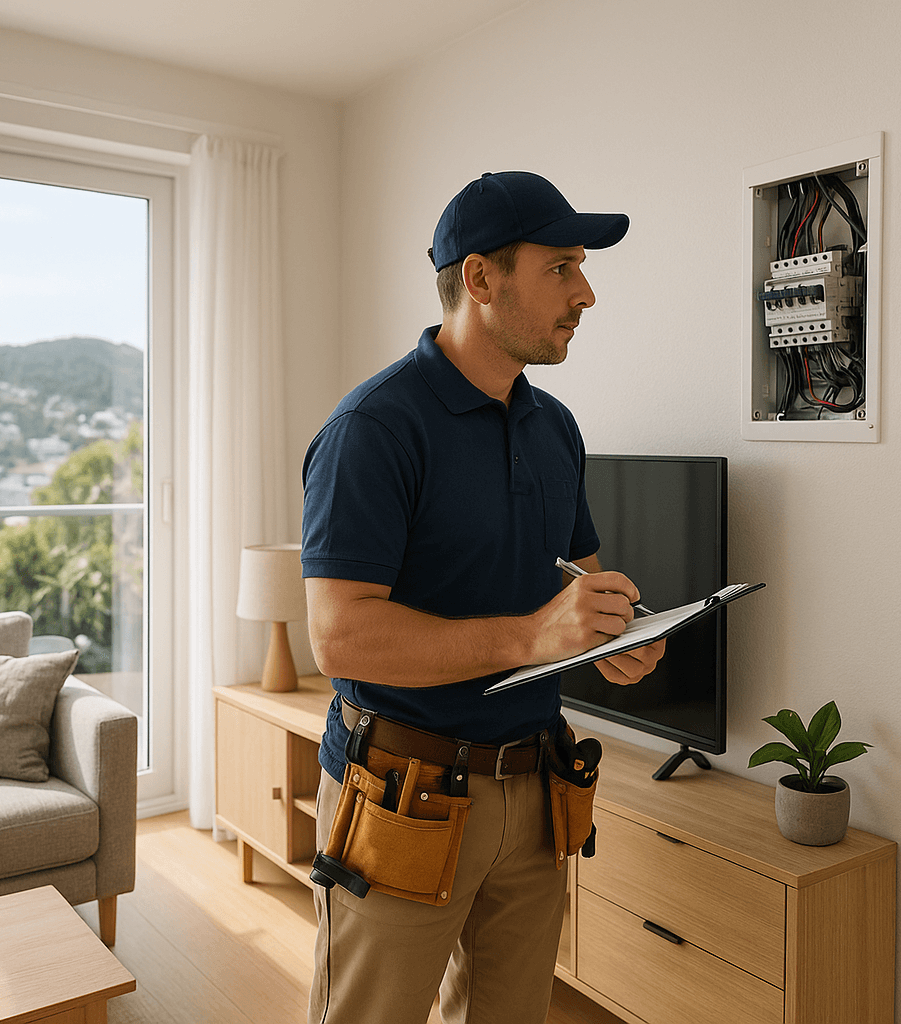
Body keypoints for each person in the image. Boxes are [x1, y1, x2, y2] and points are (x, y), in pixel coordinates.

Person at [301, 170, 666, 1024]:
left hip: (536, 790)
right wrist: (537, 638)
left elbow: (576, 586)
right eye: (562, 266)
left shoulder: (556, 428)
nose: (586, 292)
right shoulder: (374, 430)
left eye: (582, 267)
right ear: (480, 279)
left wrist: (618, 637)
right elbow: (341, 639)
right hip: (402, 797)